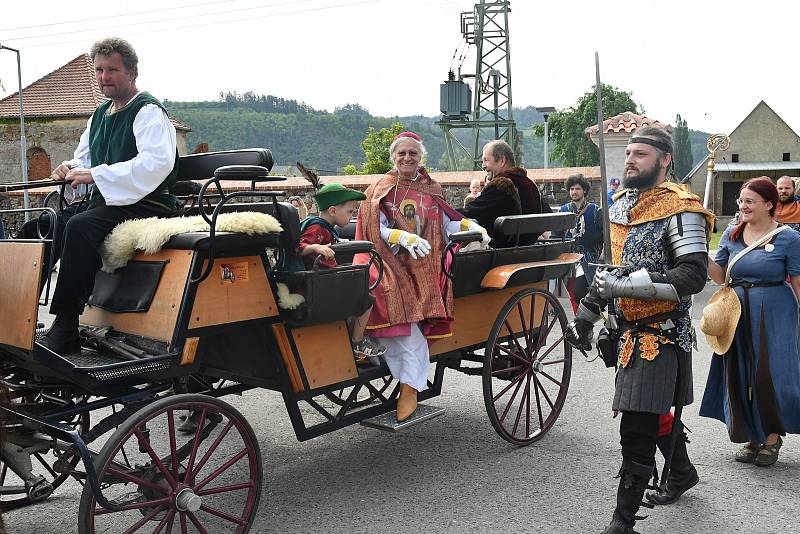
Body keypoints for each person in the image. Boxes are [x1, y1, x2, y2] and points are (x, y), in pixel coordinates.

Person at [566, 126, 712, 534]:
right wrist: (587, 313)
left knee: (636, 425)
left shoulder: (682, 207)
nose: (630, 159)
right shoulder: (619, 205)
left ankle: (622, 522)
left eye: (641, 154)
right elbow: (610, 270)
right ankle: (680, 472)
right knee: (652, 412)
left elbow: (693, 274)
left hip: (661, 333)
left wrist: (625, 287)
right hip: (625, 331)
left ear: (665, 160)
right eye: (628, 152)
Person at [36, 37, 180, 355]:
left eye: (112, 70)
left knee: (79, 227)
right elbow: (86, 160)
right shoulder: (99, 115)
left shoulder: (148, 111)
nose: (104, 77)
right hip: (109, 203)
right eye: (100, 70)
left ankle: (66, 326)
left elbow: (155, 164)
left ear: (132, 72)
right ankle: (23, 312)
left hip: (148, 203)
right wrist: (69, 168)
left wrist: (97, 174)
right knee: (40, 228)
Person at [354, 132, 488, 421]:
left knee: (411, 324)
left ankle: (408, 385)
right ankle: (390, 365)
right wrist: (400, 236)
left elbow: (446, 222)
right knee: (383, 291)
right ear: (394, 156)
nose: (407, 158)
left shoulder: (431, 187)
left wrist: (470, 225)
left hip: (423, 264)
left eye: (412, 153)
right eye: (402, 153)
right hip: (387, 259)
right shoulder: (379, 187)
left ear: (420, 156)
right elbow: (371, 227)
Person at [701, 177, 800, 467]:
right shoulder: (732, 233)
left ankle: (771, 437)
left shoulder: (789, 238)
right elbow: (720, 276)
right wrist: (702, 252)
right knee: (741, 373)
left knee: (769, 375)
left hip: (776, 312)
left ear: (769, 204)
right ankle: (751, 436)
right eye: (741, 201)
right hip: (736, 312)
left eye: (750, 201)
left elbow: (797, 282)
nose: (743, 206)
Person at [295, 183, 386, 360]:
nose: (351, 215)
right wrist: (315, 247)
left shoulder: (324, 227)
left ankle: (348, 336)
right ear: (333, 211)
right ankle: (357, 341)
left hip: (323, 280)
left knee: (356, 281)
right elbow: (298, 247)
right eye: (350, 212)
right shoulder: (317, 228)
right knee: (365, 296)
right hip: (318, 283)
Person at [458, 139, 547, 246]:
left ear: (502, 161)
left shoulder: (502, 186)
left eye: (486, 160)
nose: (483, 166)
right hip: (530, 253)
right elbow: (548, 216)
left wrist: (444, 212)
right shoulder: (529, 184)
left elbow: (470, 212)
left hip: (502, 256)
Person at [555, 173, 603, 314]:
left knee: (580, 291)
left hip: (588, 259)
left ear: (585, 191)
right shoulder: (563, 211)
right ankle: (580, 323)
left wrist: (589, 239)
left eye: (577, 189)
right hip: (568, 258)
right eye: (571, 189)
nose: (574, 192)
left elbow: (605, 235)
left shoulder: (595, 211)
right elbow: (555, 235)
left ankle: (584, 322)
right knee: (572, 292)